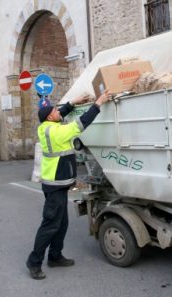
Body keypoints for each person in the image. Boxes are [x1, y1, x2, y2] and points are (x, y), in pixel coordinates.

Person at [26, 90, 111, 280]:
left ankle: (55, 257)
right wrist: (99, 103)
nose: (58, 111)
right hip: (55, 185)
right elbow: (81, 124)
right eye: (55, 110)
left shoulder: (46, 127)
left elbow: (60, 114)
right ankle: (34, 262)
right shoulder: (57, 132)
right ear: (50, 117)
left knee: (61, 223)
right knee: (50, 224)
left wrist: (73, 102)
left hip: (56, 184)